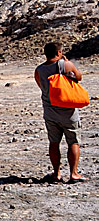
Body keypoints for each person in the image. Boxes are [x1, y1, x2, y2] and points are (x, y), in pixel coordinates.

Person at [34, 42, 87, 182]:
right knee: (73, 142)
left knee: (54, 142)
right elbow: (79, 77)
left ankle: (56, 173)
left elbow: (42, 87)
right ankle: (73, 173)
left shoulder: (38, 70)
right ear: (59, 53)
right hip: (68, 111)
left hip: (50, 112)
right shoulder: (65, 65)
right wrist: (67, 63)